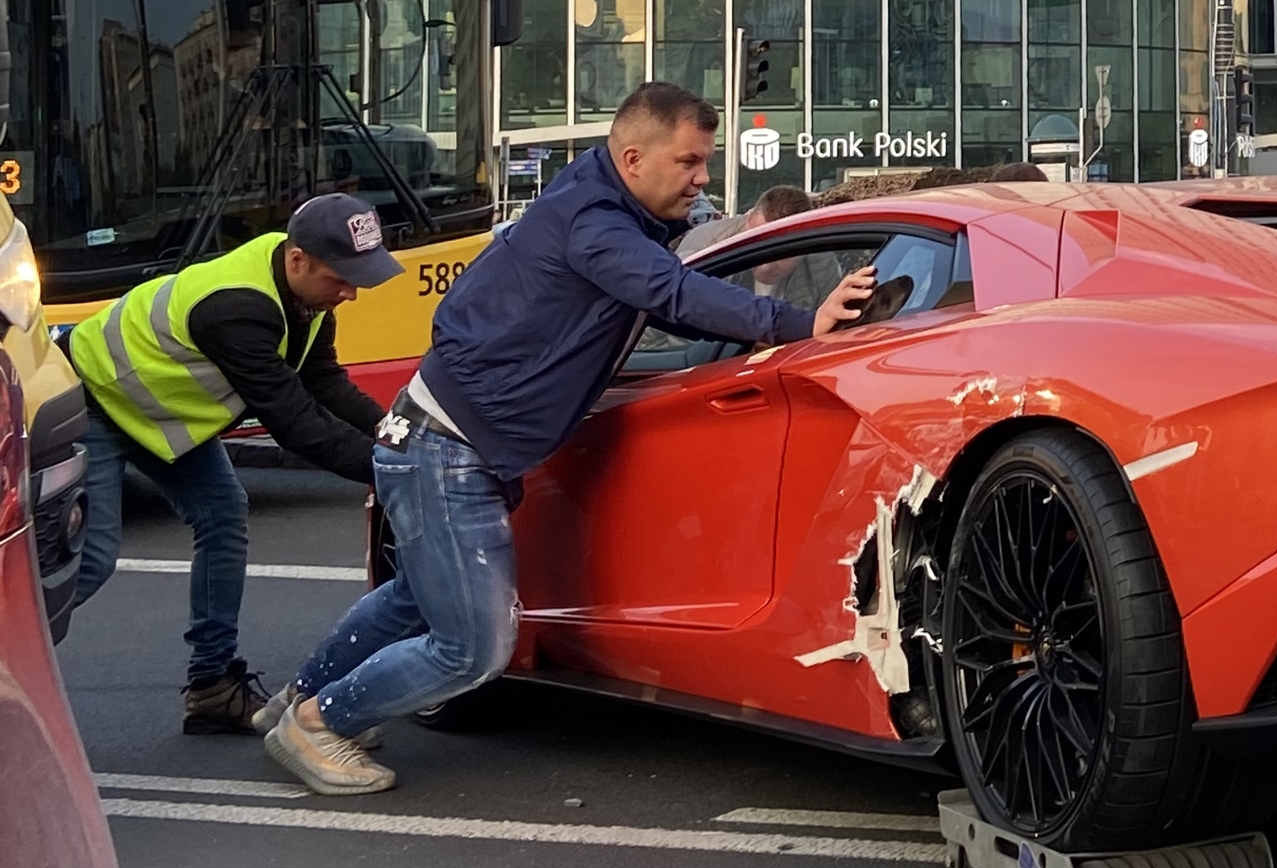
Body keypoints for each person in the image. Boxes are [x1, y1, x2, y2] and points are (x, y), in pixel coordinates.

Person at [262, 80, 874, 796]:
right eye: (690, 162)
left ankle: (295, 698)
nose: (703, 178)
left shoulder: (604, 211)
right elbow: (673, 294)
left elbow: (665, 303)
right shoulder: (596, 220)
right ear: (634, 155)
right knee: (475, 646)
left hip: (443, 439)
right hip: (449, 448)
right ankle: (319, 721)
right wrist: (801, 325)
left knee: (415, 599)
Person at [67, 192, 404, 734]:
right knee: (91, 559)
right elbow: (295, 424)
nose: (352, 293)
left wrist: (399, 438)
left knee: (225, 517)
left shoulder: (304, 292)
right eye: (342, 278)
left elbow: (324, 383)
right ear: (298, 259)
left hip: (159, 415)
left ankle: (212, 687)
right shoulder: (237, 307)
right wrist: (395, 471)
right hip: (96, 400)